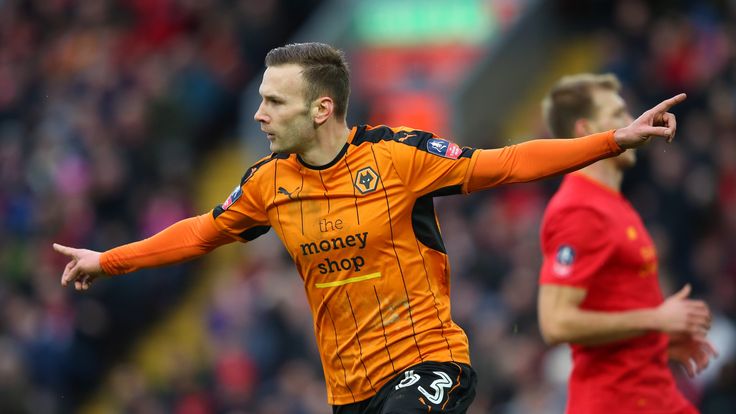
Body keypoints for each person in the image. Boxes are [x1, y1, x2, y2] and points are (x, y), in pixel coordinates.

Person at [55, 43, 686, 413]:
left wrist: (613, 140)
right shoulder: (267, 185)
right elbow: (198, 233)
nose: (259, 114)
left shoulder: (396, 156)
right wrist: (106, 260)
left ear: (321, 108)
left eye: (274, 101)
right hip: (349, 393)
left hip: (429, 363)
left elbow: (506, 164)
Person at [536, 73, 717, 414]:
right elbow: (555, 321)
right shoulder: (579, 208)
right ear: (584, 129)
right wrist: (656, 319)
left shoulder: (612, 203)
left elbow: (609, 307)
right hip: (617, 402)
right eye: (618, 114)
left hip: (651, 395)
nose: (632, 120)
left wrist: (657, 342)